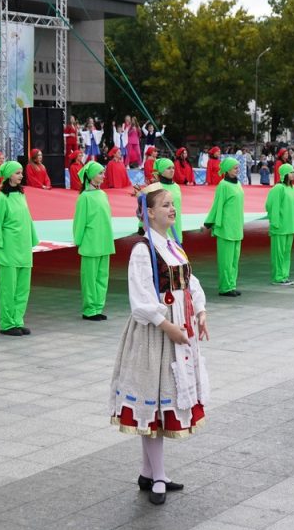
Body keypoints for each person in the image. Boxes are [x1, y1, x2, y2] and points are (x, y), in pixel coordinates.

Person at [108, 184, 209, 506]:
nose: (172, 208)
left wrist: (201, 311)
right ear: (149, 212)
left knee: (160, 407)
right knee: (154, 405)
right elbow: (140, 299)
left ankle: (148, 473)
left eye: (172, 203)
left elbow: (190, 282)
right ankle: (159, 477)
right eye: (165, 204)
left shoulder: (173, 246)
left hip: (177, 329)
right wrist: (168, 327)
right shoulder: (143, 250)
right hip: (156, 334)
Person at [0, 161, 39, 336]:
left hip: (23, 247)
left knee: (23, 288)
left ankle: (17, 320)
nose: (21, 176)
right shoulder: (0, 198)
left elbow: (27, 219)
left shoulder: (22, 195)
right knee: (8, 288)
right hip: (8, 248)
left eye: (21, 172)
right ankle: (7, 323)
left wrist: (32, 240)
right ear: (9, 175)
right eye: (17, 173)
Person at [73, 161, 114, 321]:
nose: (103, 176)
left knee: (102, 277)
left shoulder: (103, 194)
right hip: (90, 243)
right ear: (91, 176)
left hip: (104, 242)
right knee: (89, 279)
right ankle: (89, 310)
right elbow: (79, 221)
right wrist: (78, 240)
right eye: (100, 173)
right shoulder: (84, 197)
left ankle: (98, 307)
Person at [204, 157, 245, 297]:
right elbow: (217, 204)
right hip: (226, 228)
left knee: (234, 260)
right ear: (227, 169)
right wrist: (209, 222)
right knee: (225, 261)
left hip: (237, 227)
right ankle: (225, 287)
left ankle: (231, 285)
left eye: (238, 167)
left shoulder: (238, 184)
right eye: (235, 168)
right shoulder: (223, 185)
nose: (237, 170)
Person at [265, 163, 294, 286]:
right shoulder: (278, 188)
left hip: (290, 226)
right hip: (280, 227)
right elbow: (271, 205)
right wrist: (275, 223)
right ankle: (278, 277)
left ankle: (284, 276)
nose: (293, 174)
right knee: (278, 254)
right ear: (284, 174)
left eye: (293, 172)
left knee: (286, 253)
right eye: (290, 172)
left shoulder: (293, 188)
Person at [155, 158, 183, 241]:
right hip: (162, 226)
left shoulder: (177, 187)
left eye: (173, 168)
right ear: (161, 171)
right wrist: (141, 225)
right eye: (168, 168)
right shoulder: (156, 187)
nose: (172, 170)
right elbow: (147, 207)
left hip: (176, 225)